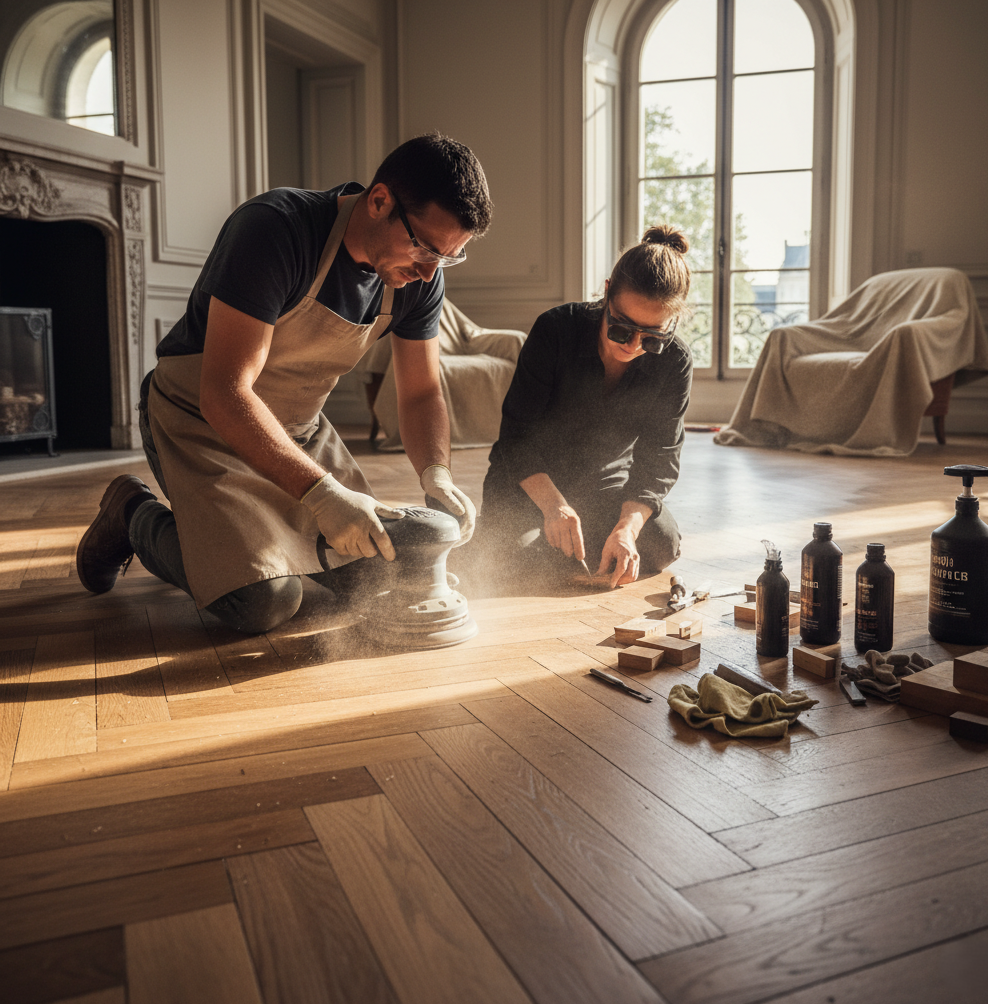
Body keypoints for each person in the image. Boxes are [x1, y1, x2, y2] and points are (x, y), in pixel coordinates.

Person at [76, 133, 492, 633]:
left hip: (298, 430)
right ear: (379, 201)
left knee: (378, 575)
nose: (429, 274)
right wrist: (322, 494)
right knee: (262, 601)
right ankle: (134, 515)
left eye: (448, 258)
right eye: (426, 248)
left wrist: (436, 475)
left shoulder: (416, 279)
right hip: (198, 422)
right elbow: (225, 393)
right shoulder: (276, 229)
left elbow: (423, 392)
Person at [478, 226, 692, 589]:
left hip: (605, 487)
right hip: (530, 482)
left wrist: (627, 528)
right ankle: (536, 546)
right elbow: (515, 437)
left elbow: (660, 459)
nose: (633, 346)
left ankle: (580, 550)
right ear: (607, 292)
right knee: (506, 554)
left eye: (652, 337)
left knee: (663, 543)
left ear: (671, 322)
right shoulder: (555, 330)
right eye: (622, 328)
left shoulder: (675, 361)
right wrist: (554, 508)